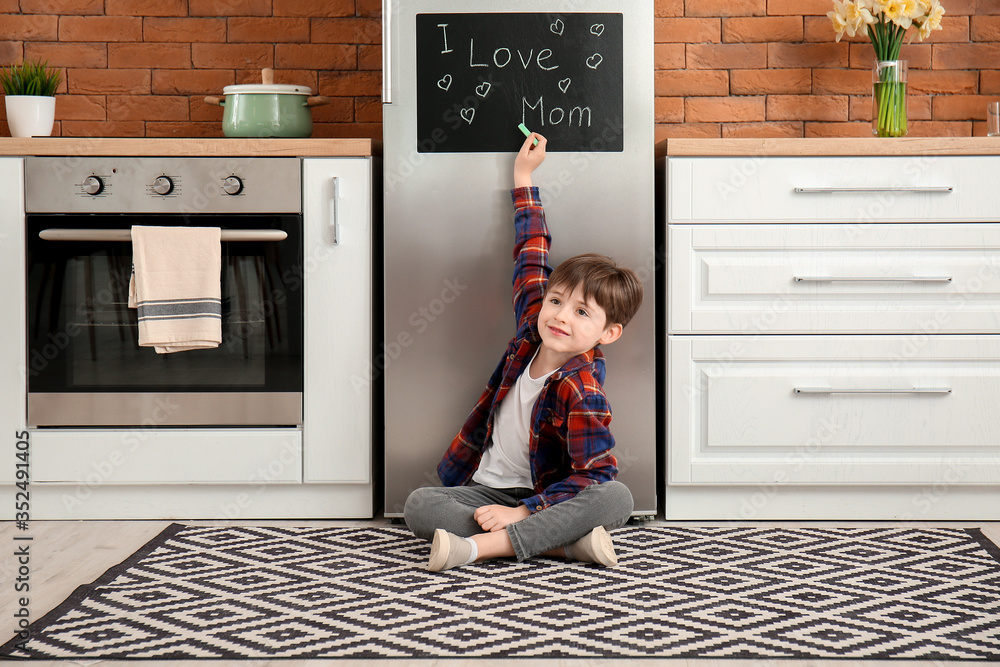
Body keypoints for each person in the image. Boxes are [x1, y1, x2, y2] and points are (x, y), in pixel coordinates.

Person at [403, 132, 643, 572]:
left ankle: (481, 549)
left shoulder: (581, 387)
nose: (561, 317)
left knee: (617, 497)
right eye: (556, 301)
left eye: (582, 312)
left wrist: (525, 511)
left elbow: (595, 474)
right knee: (420, 505)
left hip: (545, 497)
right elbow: (530, 257)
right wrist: (523, 175)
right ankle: (563, 546)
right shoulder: (532, 332)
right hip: (488, 492)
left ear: (608, 333)